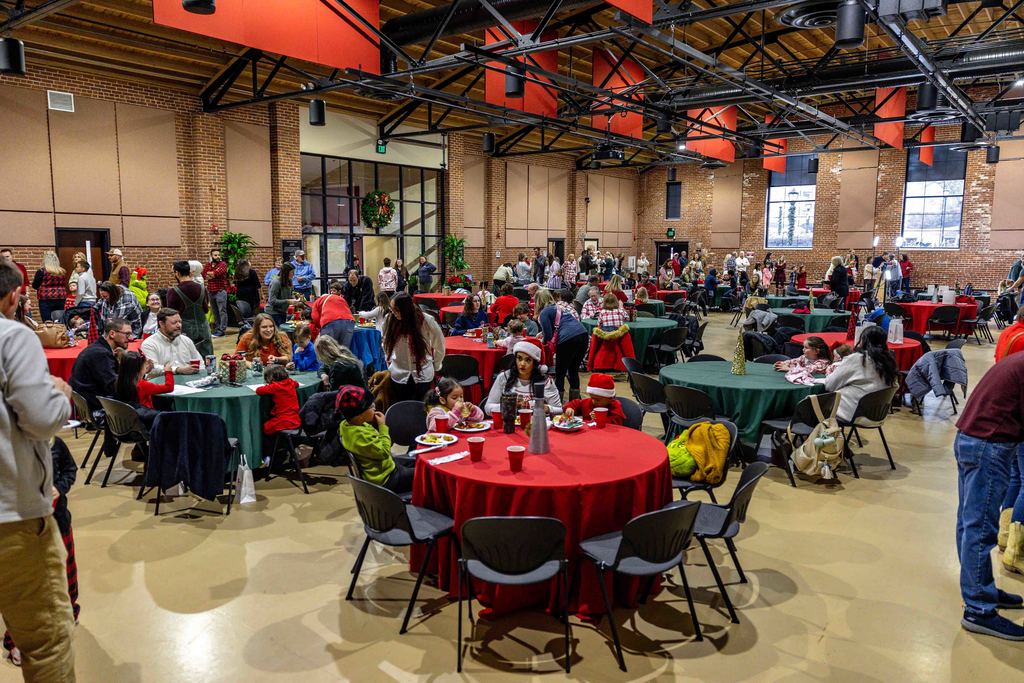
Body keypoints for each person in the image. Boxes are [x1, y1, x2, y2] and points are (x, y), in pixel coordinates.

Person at [0, 257, 77, 679]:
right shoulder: (12, 336)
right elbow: (41, 419)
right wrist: (60, 393)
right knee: (46, 642)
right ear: (15, 296)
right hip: (11, 516)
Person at [952, 352, 1024, 640]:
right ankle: (978, 609)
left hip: (973, 439)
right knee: (980, 529)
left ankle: (981, 589)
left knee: (969, 523)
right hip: (988, 445)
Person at [2, 435, 80, 670]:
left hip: (58, 522)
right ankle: (18, 641)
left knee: (65, 576)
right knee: (26, 591)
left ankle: (68, 613)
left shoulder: (55, 444)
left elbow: (70, 468)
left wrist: (60, 487)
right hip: (22, 534)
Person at [338, 384, 415, 493]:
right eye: (370, 407)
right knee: (424, 473)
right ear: (360, 414)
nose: (374, 408)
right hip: (385, 479)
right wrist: (383, 427)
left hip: (386, 466)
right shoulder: (360, 436)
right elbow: (384, 452)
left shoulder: (347, 425)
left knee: (417, 462)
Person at [823, 326, 896, 422]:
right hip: (877, 413)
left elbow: (829, 386)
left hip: (853, 412)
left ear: (863, 340)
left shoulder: (857, 359)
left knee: (815, 402)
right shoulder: (889, 361)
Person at [383, 292, 445, 402]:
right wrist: (388, 360)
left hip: (423, 374)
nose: (393, 313)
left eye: (396, 310)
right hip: (398, 374)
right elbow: (385, 343)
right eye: (392, 309)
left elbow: (439, 345)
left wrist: (436, 365)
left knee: (421, 409)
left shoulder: (426, 320)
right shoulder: (389, 319)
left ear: (406, 309)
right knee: (401, 408)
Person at [485, 340, 563, 414]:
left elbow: (559, 409)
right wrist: (509, 405)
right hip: (509, 423)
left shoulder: (545, 381)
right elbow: (488, 408)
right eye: (519, 358)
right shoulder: (504, 377)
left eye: (528, 360)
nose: (522, 364)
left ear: (534, 363)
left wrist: (546, 408)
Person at [70, 317, 130, 412]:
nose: (130, 338)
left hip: (92, 402)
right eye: (127, 334)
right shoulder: (101, 354)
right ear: (112, 334)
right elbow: (116, 388)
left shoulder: (98, 348)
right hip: (98, 409)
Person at [539, 289, 589, 401]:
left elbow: (548, 335)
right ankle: (575, 403)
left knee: (560, 373)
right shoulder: (561, 308)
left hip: (567, 339)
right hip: (583, 334)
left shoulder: (544, 312)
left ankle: (558, 403)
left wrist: (540, 343)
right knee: (573, 370)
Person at [166, 260, 213, 358]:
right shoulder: (202, 288)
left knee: (188, 361)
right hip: (203, 329)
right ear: (189, 272)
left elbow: (170, 315)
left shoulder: (173, 291)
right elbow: (205, 309)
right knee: (207, 359)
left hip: (184, 331)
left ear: (177, 273)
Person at [114, 350, 172, 427]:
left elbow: (134, 375)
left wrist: (145, 371)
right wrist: (168, 372)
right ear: (140, 368)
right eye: (145, 366)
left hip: (127, 420)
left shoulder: (119, 381)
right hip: (145, 420)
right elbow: (169, 387)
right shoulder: (143, 385)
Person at [140, 308, 202, 375]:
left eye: (180, 322)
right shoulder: (149, 344)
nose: (179, 325)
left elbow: (200, 363)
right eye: (174, 323)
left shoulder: (187, 340)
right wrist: (178, 370)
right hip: (162, 382)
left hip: (190, 382)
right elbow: (152, 369)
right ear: (162, 324)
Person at [256, 364, 301, 456]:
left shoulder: (275, 387)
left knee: (265, 427)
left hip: (284, 420)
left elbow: (259, 390)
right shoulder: (290, 382)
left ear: (270, 377)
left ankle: (269, 454)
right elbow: (296, 384)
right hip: (295, 418)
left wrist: (268, 385)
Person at [310, 280, 356, 349]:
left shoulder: (317, 301)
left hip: (330, 322)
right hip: (349, 322)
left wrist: (320, 327)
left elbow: (315, 317)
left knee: (327, 352)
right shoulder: (341, 298)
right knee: (344, 352)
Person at [32, 251, 68, 323]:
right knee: (59, 320)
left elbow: (35, 285)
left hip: (45, 299)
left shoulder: (41, 271)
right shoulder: (62, 272)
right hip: (60, 298)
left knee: (47, 321)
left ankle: (49, 334)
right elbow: (64, 284)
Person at [202, 248, 229, 337]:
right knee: (215, 311)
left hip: (220, 291)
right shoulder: (208, 265)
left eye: (218, 255)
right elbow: (204, 275)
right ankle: (217, 329)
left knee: (222, 311)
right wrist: (211, 274)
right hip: (211, 291)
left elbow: (216, 273)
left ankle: (222, 330)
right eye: (215, 255)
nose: (217, 257)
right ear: (211, 256)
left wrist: (212, 274)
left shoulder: (223, 264)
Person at [266, 262, 300, 326]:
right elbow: (272, 301)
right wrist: (288, 301)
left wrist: (294, 298)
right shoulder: (276, 282)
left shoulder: (289, 281)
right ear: (286, 272)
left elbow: (290, 294)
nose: (293, 274)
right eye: (292, 272)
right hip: (273, 313)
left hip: (282, 312)